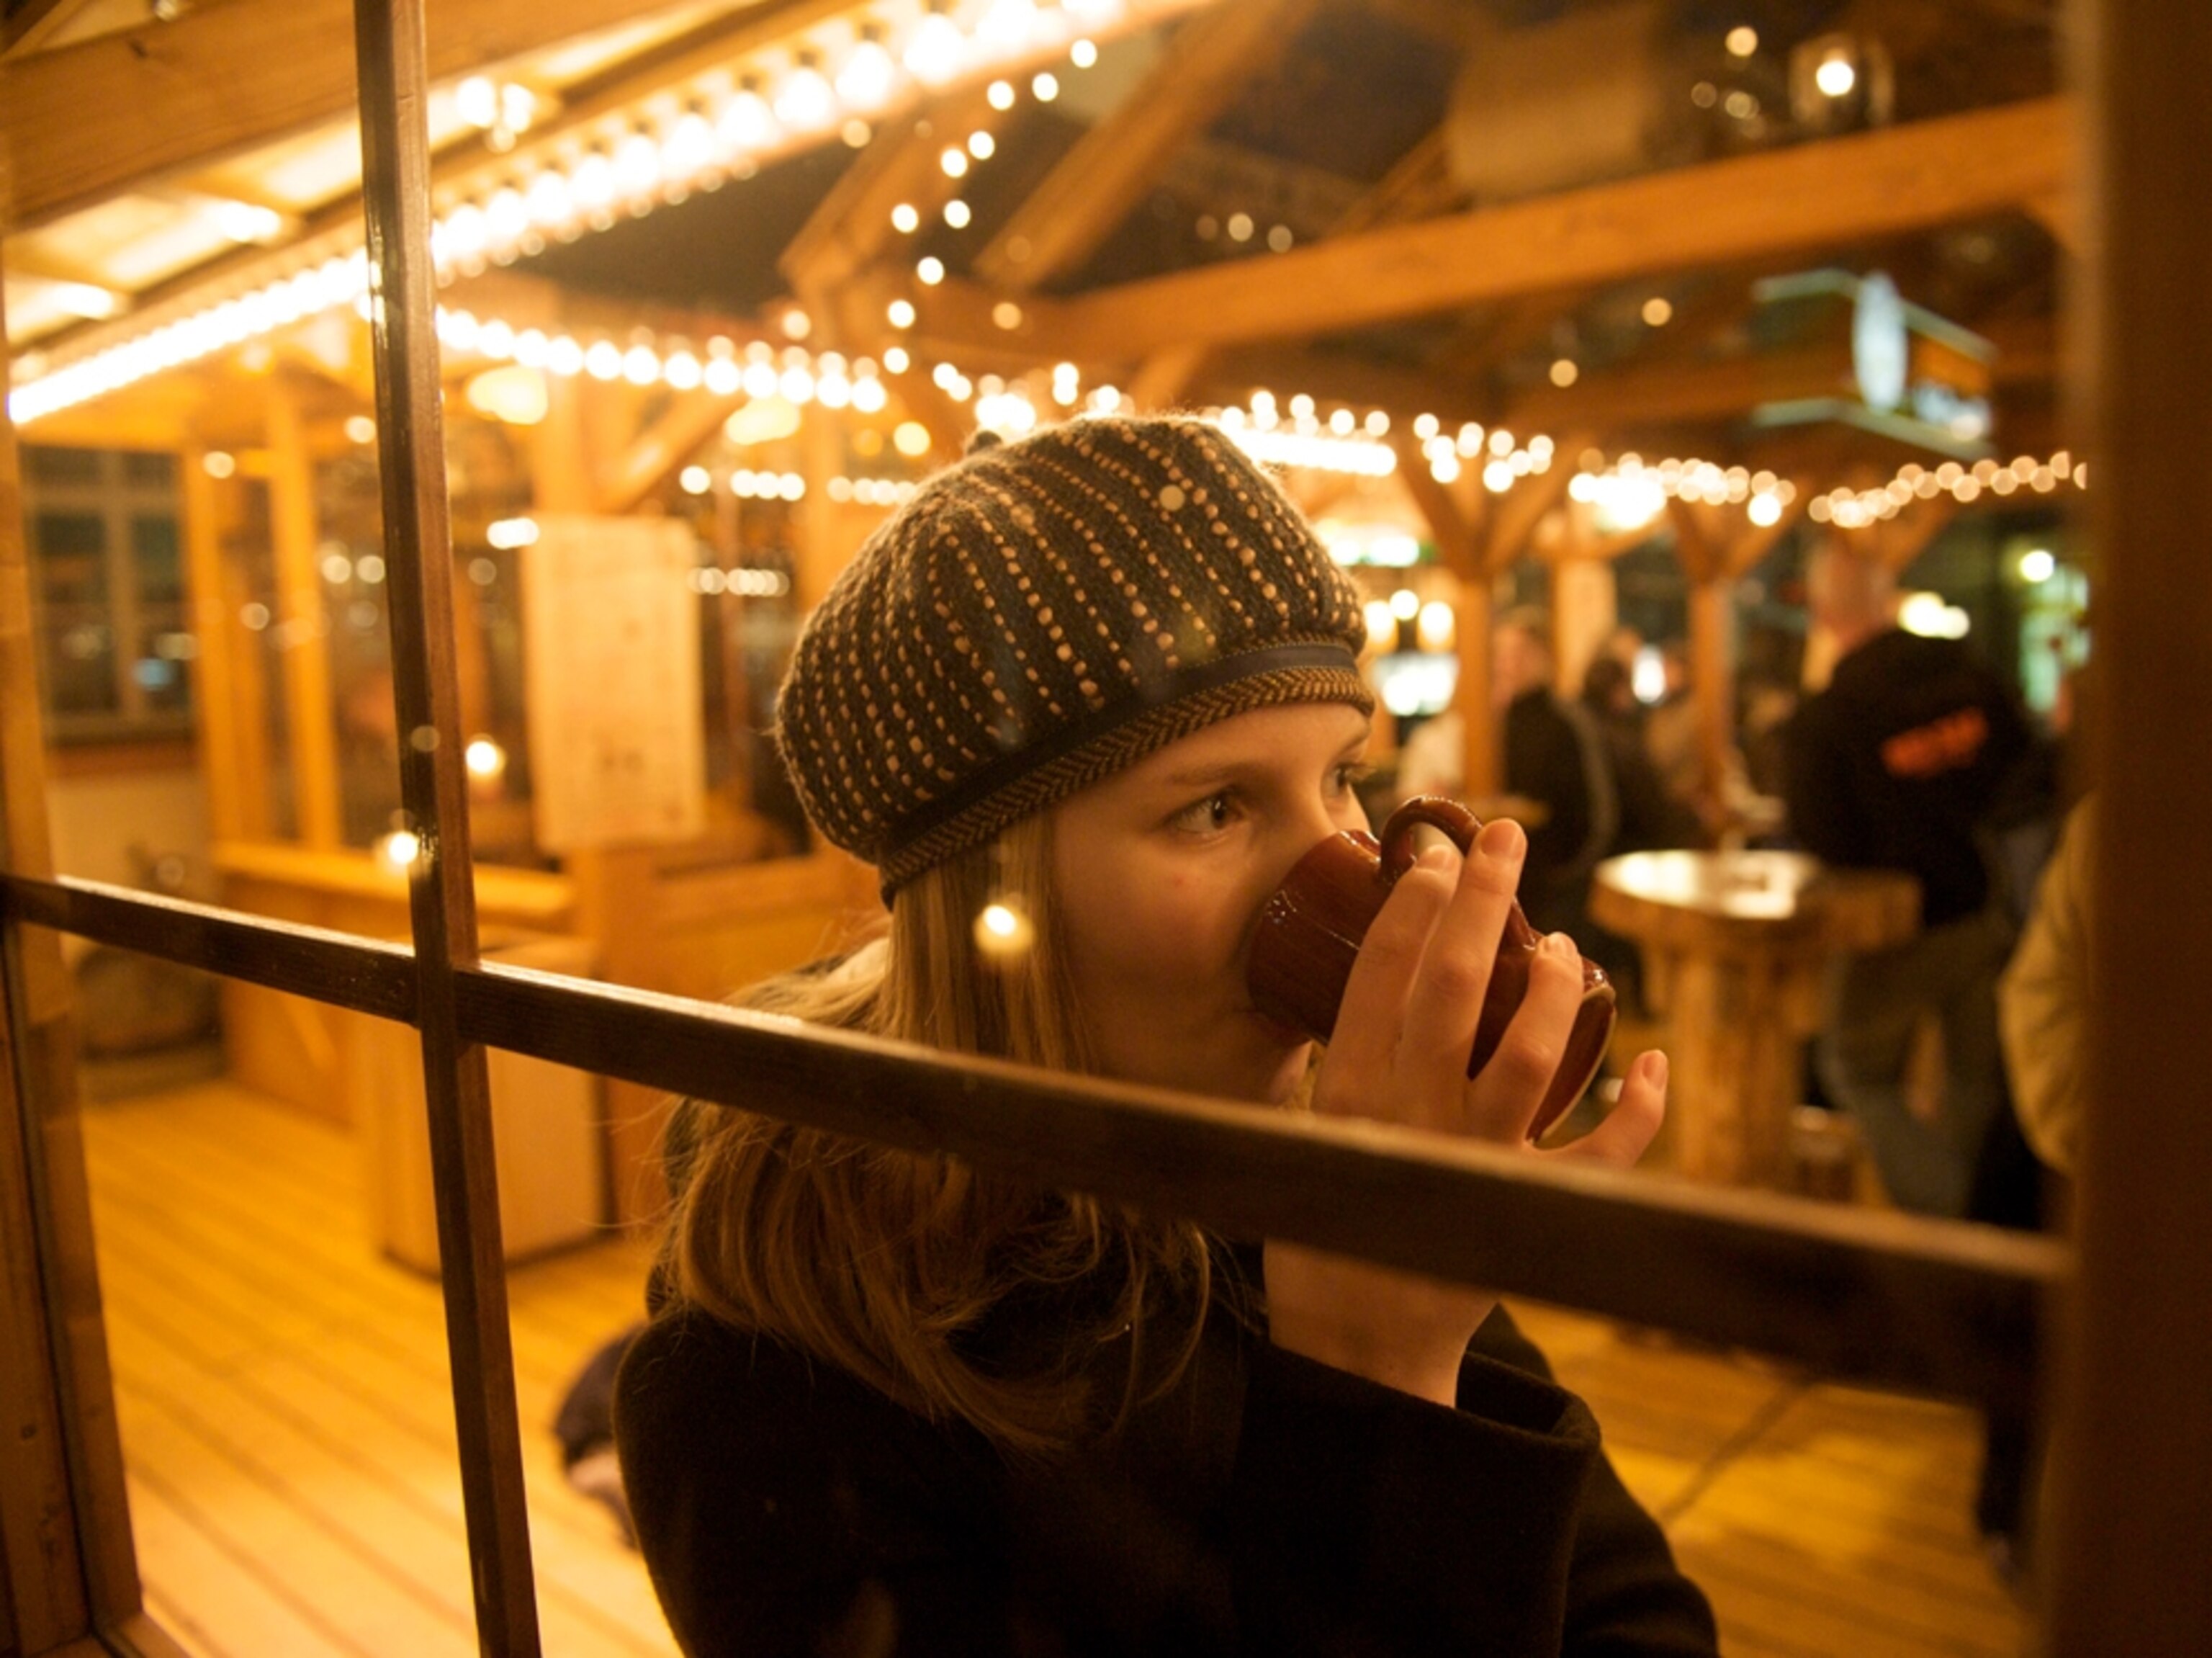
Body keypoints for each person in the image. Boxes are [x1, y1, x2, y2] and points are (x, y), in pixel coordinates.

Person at [612, 418, 1716, 1657]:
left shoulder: (1280, 1165)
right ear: (998, 896)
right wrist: (1372, 1372)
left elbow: (1642, 1621)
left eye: (1343, 775)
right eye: (1212, 806)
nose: (1347, 868)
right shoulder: (764, 1387)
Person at [1783, 543, 2036, 1216]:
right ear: (1887, 596)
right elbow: (2025, 769)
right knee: (1974, 1075)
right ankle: (1986, 1223)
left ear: (1826, 613)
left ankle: (1950, 1211)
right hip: (1985, 904)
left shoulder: (1830, 714)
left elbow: (1820, 833)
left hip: (1900, 926)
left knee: (1853, 1066)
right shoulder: (1967, 673)